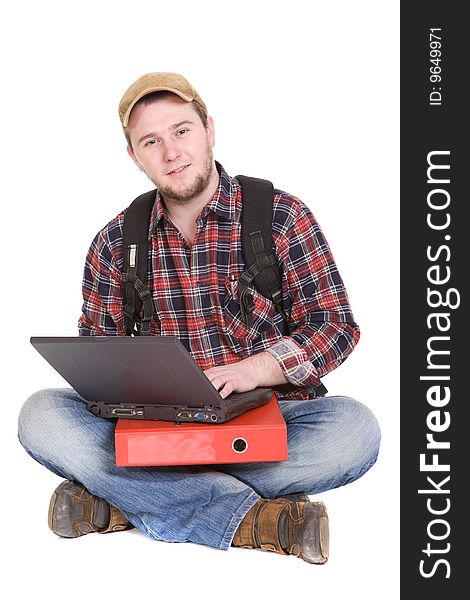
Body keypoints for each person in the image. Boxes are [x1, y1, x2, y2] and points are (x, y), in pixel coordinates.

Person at [18, 71, 381, 564]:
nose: (171, 153)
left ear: (209, 129)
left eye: (182, 131)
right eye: (152, 141)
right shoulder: (114, 242)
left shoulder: (280, 216)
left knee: (355, 430)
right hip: (156, 430)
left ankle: (123, 502)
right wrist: (132, 391)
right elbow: (96, 356)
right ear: (134, 156)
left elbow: (336, 326)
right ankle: (255, 521)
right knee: (41, 416)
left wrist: (257, 369)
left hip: (266, 424)